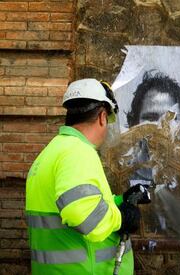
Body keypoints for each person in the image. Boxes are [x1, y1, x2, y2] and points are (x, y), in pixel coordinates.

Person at [26, 79, 143, 274]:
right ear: (102, 117)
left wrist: (120, 201)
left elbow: (76, 201)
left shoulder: (53, 151)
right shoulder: (78, 152)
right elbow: (83, 214)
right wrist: (121, 219)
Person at [125, 70, 180, 185]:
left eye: (170, 118)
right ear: (133, 124)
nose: (160, 127)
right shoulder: (117, 180)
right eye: (150, 118)